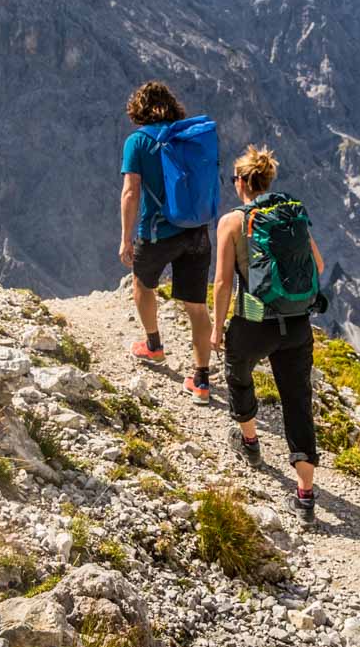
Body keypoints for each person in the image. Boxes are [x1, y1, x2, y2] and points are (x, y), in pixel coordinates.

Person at [209, 145, 327, 521]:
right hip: (297, 324)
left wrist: (217, 329)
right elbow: (318, 265)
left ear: (242, 182)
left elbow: (222, 283)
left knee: (238, 374)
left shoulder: (232, 222)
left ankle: (249, 441)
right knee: (297, 401)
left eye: (234, 178)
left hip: (254, 322)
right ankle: (305, 496)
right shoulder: (291, 213)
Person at [118, 81, 214, 397]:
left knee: (142, 284)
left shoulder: (138, 142)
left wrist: (126, 238)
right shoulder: (189, 136)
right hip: (196, 230)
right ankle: (201, 380)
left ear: (138, 111)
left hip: (158, 231)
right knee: (197, 307)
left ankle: (154, 345)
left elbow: (131, 192)